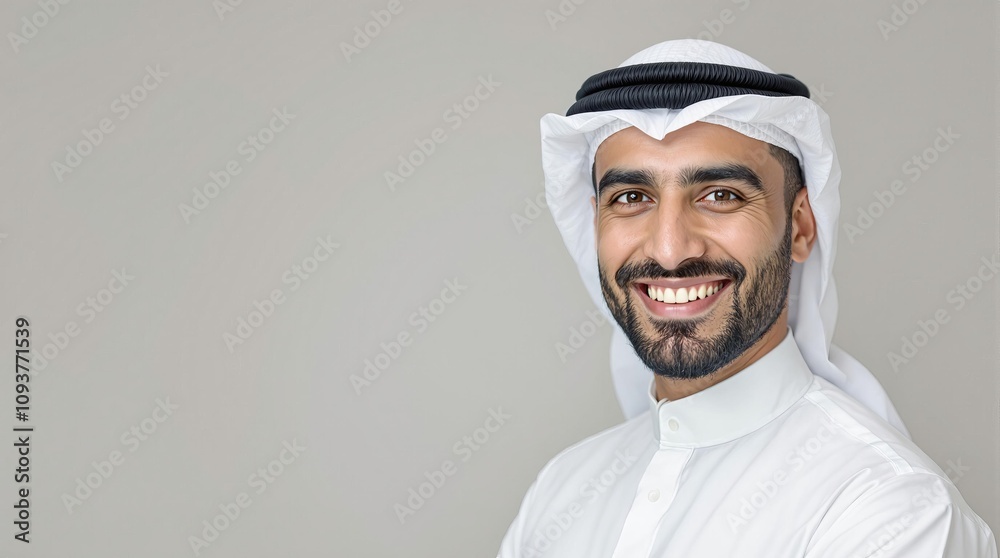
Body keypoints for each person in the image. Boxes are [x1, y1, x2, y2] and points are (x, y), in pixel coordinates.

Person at [496, 39, 996, 557]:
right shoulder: (559, 493)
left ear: (801, 227)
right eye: (631, 198)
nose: (670, 250)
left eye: (721, 196)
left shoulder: (887, 510)